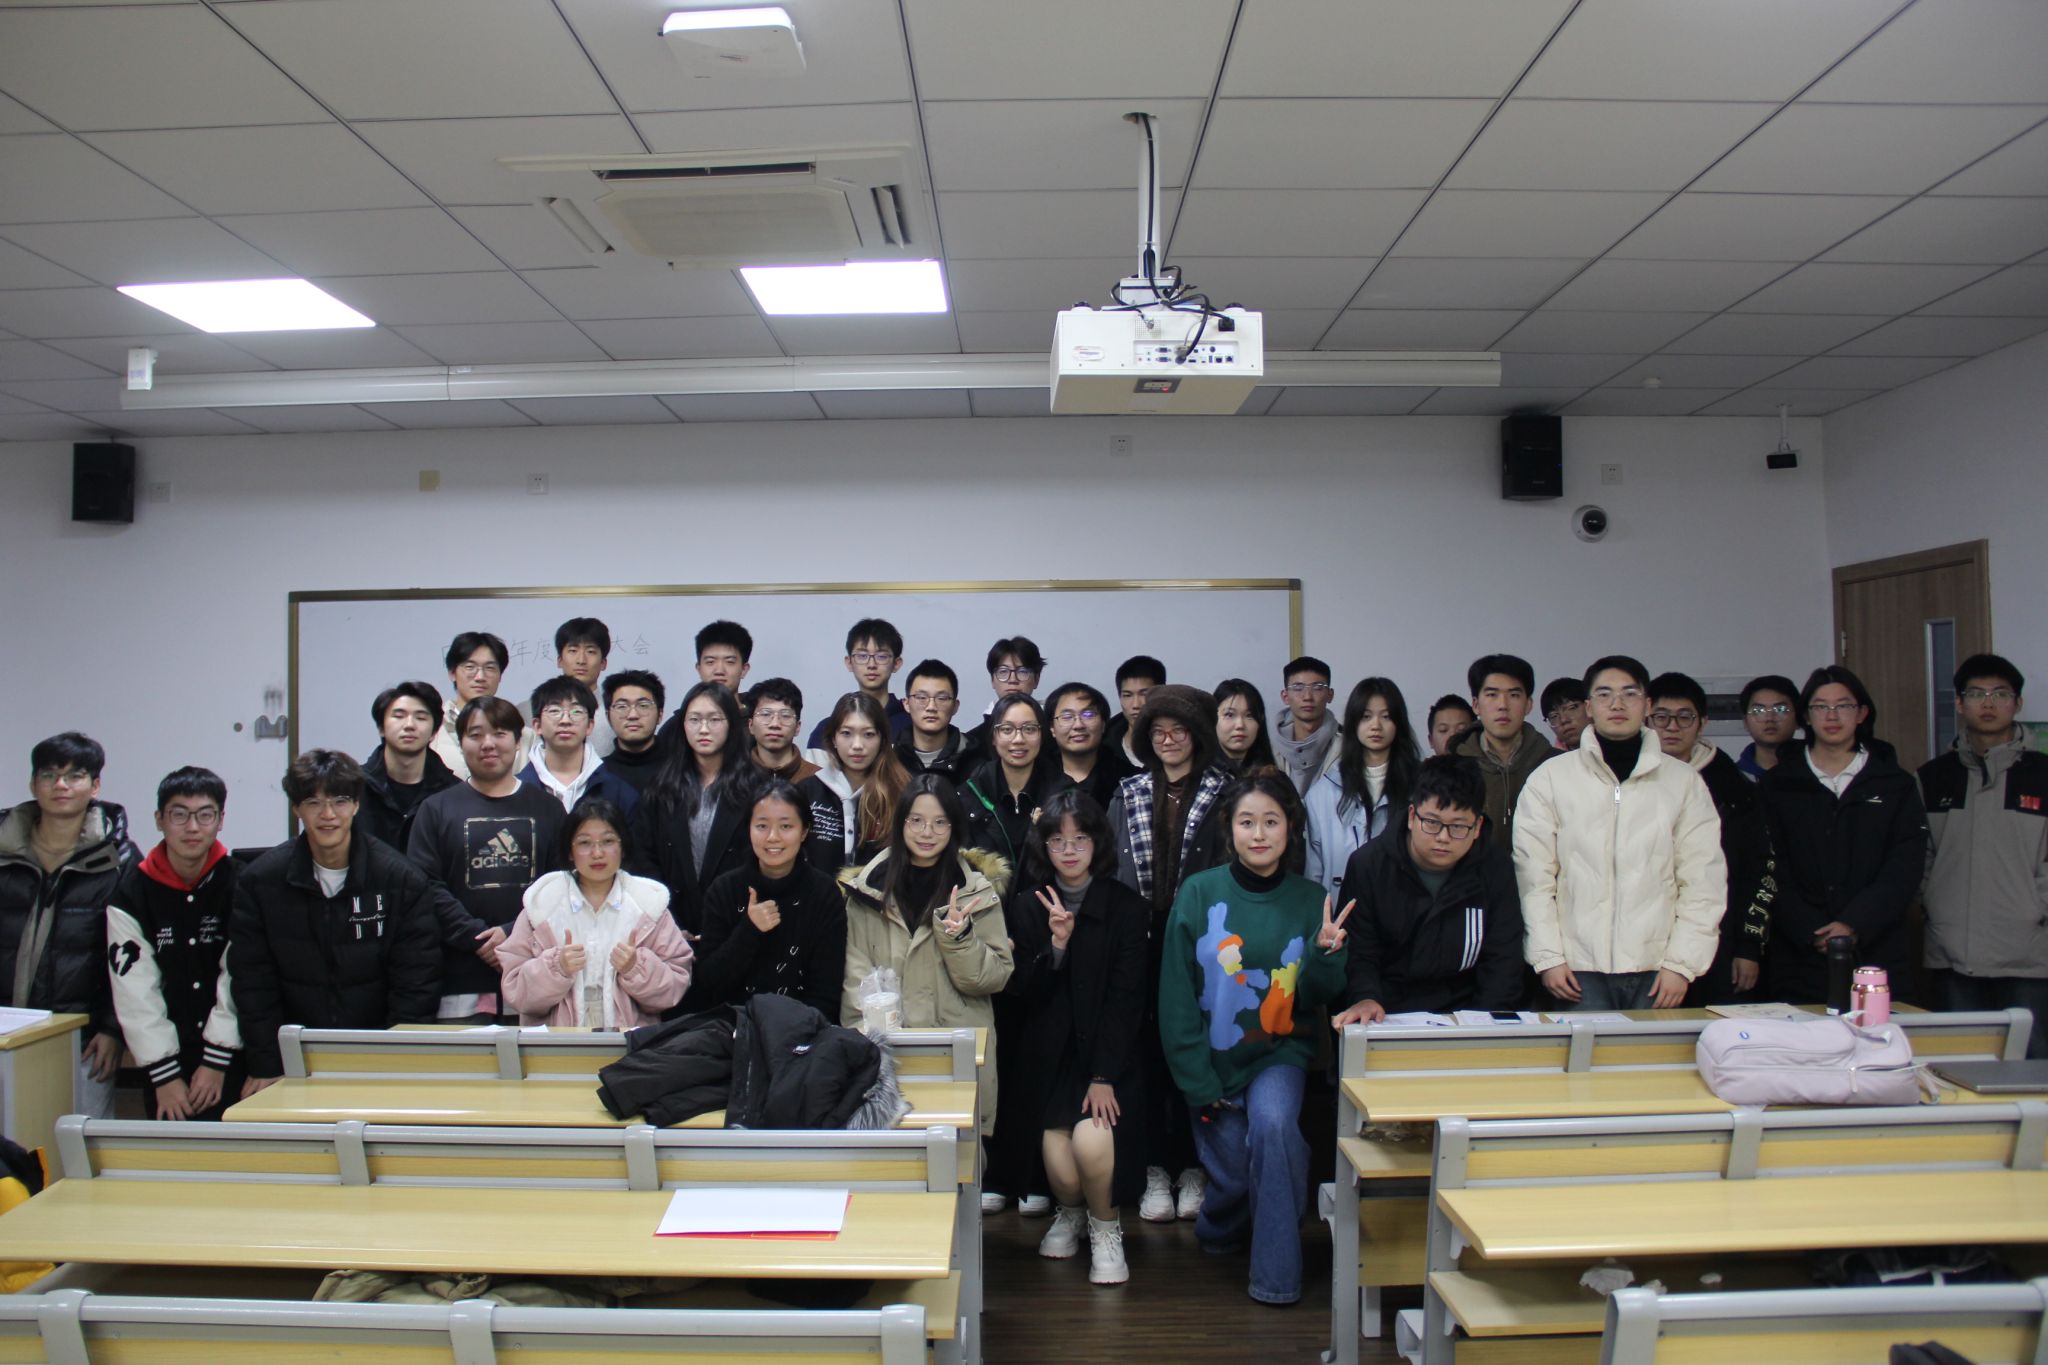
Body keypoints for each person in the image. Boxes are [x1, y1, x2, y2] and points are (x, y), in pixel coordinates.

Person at [1156, 771, 1350, 1306]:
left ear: (1290, 829)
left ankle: (1276, 1281)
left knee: (1275, 1130)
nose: (1259, 834)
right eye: (1247, 822)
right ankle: (1218, 1230)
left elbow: (1318, 993)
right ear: (1230, 829)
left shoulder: (1311, 899)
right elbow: (1176, 994)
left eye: (1271, 821)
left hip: (1278, 1051)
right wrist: (1196, 1079)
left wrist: (1326, 954)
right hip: (1211, 1056)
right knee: (1238, 1180)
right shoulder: (1199, 892)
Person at [1514, 656, 1726, 1012]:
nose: (1617, 704)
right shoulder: (1550, 778)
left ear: (1647, 705)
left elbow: (1703, 880)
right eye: (1604, 694)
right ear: (1589, 707)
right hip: (1575, 970)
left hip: (1658, 969)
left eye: (1629, 694)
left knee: (1653, 1052)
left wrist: (1682, 964)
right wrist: (1547, 957)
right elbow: (1534, 878)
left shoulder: (1683, 782)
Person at [228, 749, 442, 1093]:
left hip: (379, 1056)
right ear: (296, 809)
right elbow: (253, 982)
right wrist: (266, 1063)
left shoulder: (400, 880)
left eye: (340, 801)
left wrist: (399, 1062)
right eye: (313, 802)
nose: (327, 815)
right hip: (293, 1058)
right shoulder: (260, 881)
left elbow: (416, 983)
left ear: (356, 805)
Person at [1008, 788, 1147, 1287]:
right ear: (1044, 846)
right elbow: (1021, 994)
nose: (1069, 850)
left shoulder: (1126, 907)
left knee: (1091, 1146)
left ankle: (1106, 1227)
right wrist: (1057, 947)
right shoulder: (1026, 907)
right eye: (1058, 840)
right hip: (1051, 1063)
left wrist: (1104, 1075)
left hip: (1108, 1060)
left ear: (1098, 843)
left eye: (1080, 839)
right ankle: (1070, 1212)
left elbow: (1127, 1000)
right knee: (1061, 1171)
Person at [1107, 684, 1234, 1224]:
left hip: (1207, 942)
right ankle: (1155, 1168)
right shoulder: (1128, 791)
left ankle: (1196, 1167)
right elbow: (1111, 872)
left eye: (1179, 731)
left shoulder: (1227, 794)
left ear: (1198, 736)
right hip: (1141, 938)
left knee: (1197, 1053)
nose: (1168, 740)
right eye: (1158, 732)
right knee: (1146, 1058)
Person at [838, 774, 1014, 1133]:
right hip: (886, 1054)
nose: (926, 832)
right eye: (916, 820)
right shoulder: (865, 892)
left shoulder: (976, 891)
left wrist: (959, 937)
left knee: (959, 1154)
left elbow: (993, 977)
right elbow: (855, 983)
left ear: (954, 827)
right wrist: (866, 1050)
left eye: (939, 822)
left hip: (956, 1052)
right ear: (901, 823)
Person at [1758, 666, 1929, 1004]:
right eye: (1821, 706)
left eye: (1844, 705)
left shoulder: (1895, 784)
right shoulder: (1777, 785)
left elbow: (1904, 866)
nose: (1832, 716)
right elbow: (1768, 866)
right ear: (1806, 716)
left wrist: (1854, 923)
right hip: (1798, 954)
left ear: (1862, 713)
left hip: (1877, 950)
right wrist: (1813, 931)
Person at [0, 732, 135, 1118]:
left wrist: (112, 1029)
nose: (60, 785)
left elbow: (130, 956)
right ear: (33, 784)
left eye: (74, 775)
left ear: (95, 786)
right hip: (5, 1028)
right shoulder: (5, 851)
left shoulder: (119, 859)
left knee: (74, 1141)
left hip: (82, 1037)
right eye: (49, 775)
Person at [1919, 654, 2048, 1056]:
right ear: (1960, 703)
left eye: (2000, 694)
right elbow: (1921, 857)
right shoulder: (1933, 776)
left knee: (2031, 1069)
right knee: (1958, 1067)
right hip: (1951, 953)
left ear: (2017, 703)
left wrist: (2035, 910)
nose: (1988, 703)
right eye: (1976, 694)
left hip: (2029, 954)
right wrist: (1935, 905)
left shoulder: (2042, 774)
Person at [1331, 756, 1525, 1022]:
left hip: (1467, 1011)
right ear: (1412, 816)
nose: (1443, 837)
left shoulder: (1495, 868)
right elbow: (1360, 952)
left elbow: (1503, 960)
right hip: (1387, 1010)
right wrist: (1365, 997)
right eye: (1432, 823)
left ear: (1477, 827)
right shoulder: (1368, 865)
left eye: (1458, 826)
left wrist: (1481, 1027)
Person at [408, 697, 565, 1022]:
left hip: (535, 976)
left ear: (518, 741)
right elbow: (425, 884)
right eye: (476, 734)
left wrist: (511, 933)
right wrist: (476, 937)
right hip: (458, 981)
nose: (488, 744)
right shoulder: (436, 809)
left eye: (499, 733)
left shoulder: (548, 809)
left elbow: (561, 885)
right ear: (461, 742)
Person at [108, 766, 244, 1121]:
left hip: (232, 1054)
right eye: (179, 815)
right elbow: (134, 990)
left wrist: (217, 1060)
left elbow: (241, 974)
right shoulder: (131, 893)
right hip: (164, 1064)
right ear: (159, 820)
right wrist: (164, 1075)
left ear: (221, 820)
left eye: (205, 815)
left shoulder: (243, 885)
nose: (193, 827)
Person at [498, 798, 693, 1029]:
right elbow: (516, 991)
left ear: (623, 847)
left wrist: (636, 968)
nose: (597, 853)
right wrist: (556, 967)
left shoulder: (649, 905)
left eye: (608, 841)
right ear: (570, 851)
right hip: (556, 1043)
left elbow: (675, 986)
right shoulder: (542, 905)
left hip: (630, 1041)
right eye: (584, 843)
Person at [1646, 673, 1772, 1006]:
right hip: (1643, 943)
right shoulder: (1628, 780)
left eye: (1684, 717)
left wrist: (1747, 947)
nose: (1672, 727)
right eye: (1661, 717)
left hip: (1718, 938)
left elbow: (1754, 870)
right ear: (1646, 720)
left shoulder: (1734, 788)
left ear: (1702, 723)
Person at [694, 779, 848, 1018]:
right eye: (762, 826)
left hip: (804, 1029)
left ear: (804, 831)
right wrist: (749, 930)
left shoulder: (824, 893)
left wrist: (793, 1031)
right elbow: (707, 982)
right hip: (731, 1028)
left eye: (786, 826)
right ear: (748, 828)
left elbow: (827, 991)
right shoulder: (724, 889)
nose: (773, 837)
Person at [632, 682, 752, 938]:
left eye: (714, 719)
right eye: (694, 719)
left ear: (731, 724)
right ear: (683, 725)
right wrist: (668, 922)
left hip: (734, 927)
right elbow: (644, 858)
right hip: (670, 927)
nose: (704, 729)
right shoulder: (662, 786)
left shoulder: (755, 787)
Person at [1304, 678, 1421, 905]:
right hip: (1340, 913)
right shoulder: (1322, 793)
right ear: (1353, 721)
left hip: (1403, 911)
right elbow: (1314, 872)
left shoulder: (1420, 787)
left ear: (1399, 722)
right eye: (1366, 716)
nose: (1376, 725)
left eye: (1386, 716)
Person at [1453, 654, 1558, 852]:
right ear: (1476, 705)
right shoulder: (1452, 768)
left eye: (1514, 695)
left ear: (1528, 704)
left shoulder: (1555, 765)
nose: (1503, 705)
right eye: (1492, 695)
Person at [798, 693, 910, 877]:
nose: (857, 745)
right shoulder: (807, 792)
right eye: (846, 733)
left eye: (868, 734)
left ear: (883, 740)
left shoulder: (902, 792)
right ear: (833, 738)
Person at [963, 693, 1068, 871]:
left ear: (1042, 735)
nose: (1018, 739)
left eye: (1029, 729)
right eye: (1007, 729)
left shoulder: (1065, 795)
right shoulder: (969, 795)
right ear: (993, 737)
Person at [357, 681, 459, 851]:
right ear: (381, 727)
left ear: (434, 732)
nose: (409, 725)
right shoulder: (354, 788)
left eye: (421, 718)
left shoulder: (453, 793)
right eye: (399, 716)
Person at [518, 677, 639, 814]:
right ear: (537, 725)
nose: (565, 720)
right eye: (554, 711)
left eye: (576, 712)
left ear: (590, 726)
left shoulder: (619, 793)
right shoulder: (516, 789)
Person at [805, 619, 911, 748]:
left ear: (896, 663)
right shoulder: (827, 730)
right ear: (849, 662)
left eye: (881, 656)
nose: (871, 664)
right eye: (862, 656)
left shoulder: (911, 726)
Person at [431, 631, 509, 779]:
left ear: (500, 676)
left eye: (490, 668)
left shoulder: (522, 734)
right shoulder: (433, 727)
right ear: (452, 673)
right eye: (470, 667)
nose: (480, 677)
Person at [960, 637, 1047, 763]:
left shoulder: (1054, 732)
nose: (1013, 679)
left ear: (1037, 679)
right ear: (992, 680)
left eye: (1022, 671)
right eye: (1003, 671)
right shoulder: (973, 742)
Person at [1046, 681, 1128, 808]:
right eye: (1067, 716)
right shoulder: (1036, 778)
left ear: (1103, 724)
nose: (1078, 725)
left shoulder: (1128, 779)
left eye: (1088, 715)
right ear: (1052, 728)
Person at [1270, 655, 1340, 795]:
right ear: (1285, 696)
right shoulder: (1268, 748)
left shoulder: (1347, 747)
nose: (1307, 697)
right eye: (1298, 688)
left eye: (1317, 688)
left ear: (1330, 695)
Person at [896, 660, 974, 780]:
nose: (931, 707)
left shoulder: (975, 761)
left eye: (941, 698)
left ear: (955, 706)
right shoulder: (888, 759)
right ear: (906, 704)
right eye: (922, 697)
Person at [552, 617, 614, 756]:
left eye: (590, 651)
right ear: (560, 660)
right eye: (573, 650)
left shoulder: (615, 713)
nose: (581, 660)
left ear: (603, 663)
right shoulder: (530, 710)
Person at [599, 670, 666, 796]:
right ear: (608, 717)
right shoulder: (597, 775)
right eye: (622, 706)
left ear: (660, 715)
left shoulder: (680, 768)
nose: (633, 715)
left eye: (643, 705)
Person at [744, 678, 818, 786]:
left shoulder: (819, 780)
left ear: (797, 727)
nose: (775, 724)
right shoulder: (732, 777)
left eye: (785, 715)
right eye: (765, 714)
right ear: (750, 725)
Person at [1736, 674, 1801, 781]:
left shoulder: (1818, 769)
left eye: (1780, 709)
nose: (1769, 718)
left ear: (1798, 719)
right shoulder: (1732, 778)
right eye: (1758, 711)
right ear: (1745, 722)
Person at [1105, 655, 1166, 770]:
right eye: (1127, 695)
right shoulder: (1103, 748)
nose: (1136, 705)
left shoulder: (1178, 744)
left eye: (1144, 694)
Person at [1213, 678, 1279, 775]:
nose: (1240, 725)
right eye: (1229, 715)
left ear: (1260, 720)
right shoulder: (1200, 776)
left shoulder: (1272, 773)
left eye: (1249, 715)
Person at [693, 619, 752, 696]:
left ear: (744, 669)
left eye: (729, 662)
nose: (719, 671)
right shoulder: (688, 704)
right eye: (710, 662)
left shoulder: (762, 703)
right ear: (699, 669)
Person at [1540, 677, 1589, 753]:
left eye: (1571, 708)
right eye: (1554, 716)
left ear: (1590, 706)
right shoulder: (1552, 759)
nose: (1563, 720)